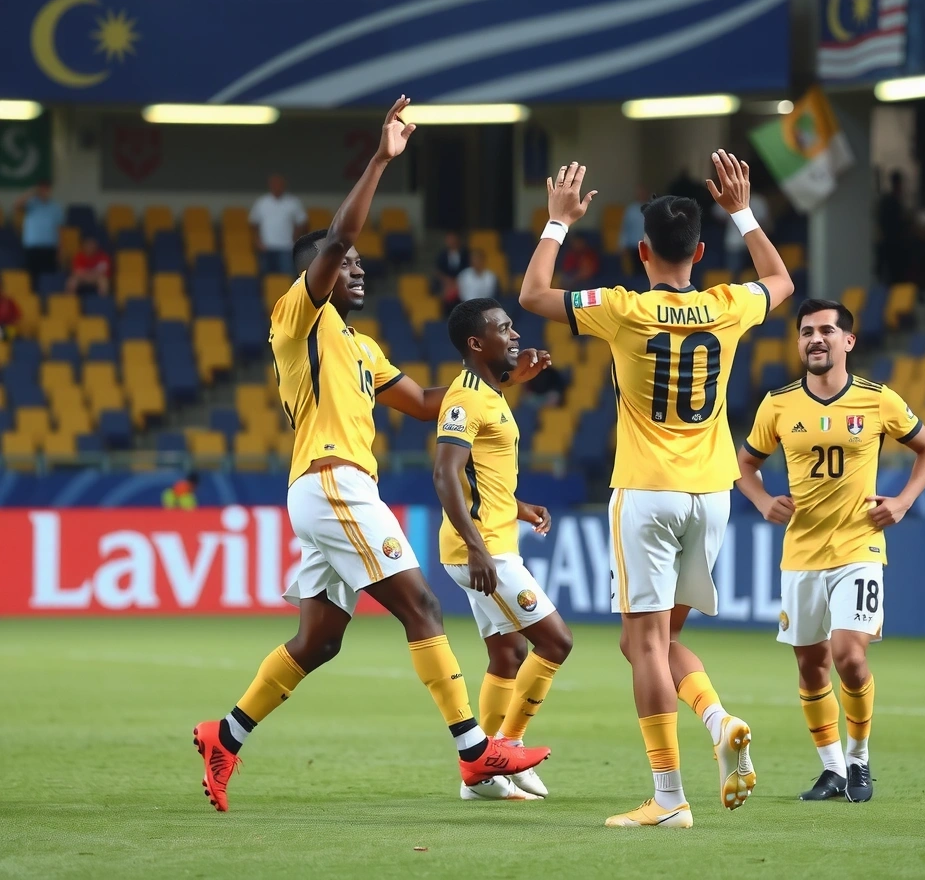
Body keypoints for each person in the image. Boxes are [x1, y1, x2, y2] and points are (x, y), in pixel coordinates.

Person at [192, 96, 551, 812]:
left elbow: (424, 403)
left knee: (320, 640)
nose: (356, 267)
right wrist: (382, 159)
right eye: (343, 261)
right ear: (318, 272)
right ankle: (476, 754)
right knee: (420, 604)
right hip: (332, 484)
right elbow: (340, 234)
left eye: (357, 262)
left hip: (331, 489)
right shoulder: (299, 316)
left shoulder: (359, 346)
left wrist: (500, 373)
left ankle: (223, 735)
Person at [520, 152, 794, 828]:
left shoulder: (623, 308)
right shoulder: (729, 305)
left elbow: (532, 295)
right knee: (653, 641)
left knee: (641, 645)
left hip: (647, 491)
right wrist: (743, 210)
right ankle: (717, 718)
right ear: (700, 251)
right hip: (713, 495)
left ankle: (669, 799)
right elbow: (781, 280)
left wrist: (557, 224)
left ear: (643, 251)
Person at [737, 298, 925, 803]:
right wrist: (762, 499)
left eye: (827, 330)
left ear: (848, 341)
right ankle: (831, 770)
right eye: (807, 331)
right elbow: (743, 464)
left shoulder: (877, 399)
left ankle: (859, 760)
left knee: (848, 656)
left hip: (859, 547)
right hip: (801, 554)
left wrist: (903, 501)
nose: (816, 339)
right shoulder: (778, 404)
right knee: (810, 667)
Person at [434, 297, 573, 802]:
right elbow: (446, 473)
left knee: (508, 652)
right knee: (556, 642)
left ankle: (481, 777)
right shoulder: (467, 397)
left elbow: (481, 480)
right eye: (504, 328)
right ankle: (504, 749)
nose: (516, 335)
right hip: (483, 552)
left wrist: (520, 507)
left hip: (491, 541)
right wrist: (476, 549)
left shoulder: (490, 393)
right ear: (477, 343)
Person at [250, 174, 308, 276]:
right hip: (266, 248)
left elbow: (302, 222)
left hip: (286, 248)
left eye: (279, 184)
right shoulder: (262, 202)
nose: (277, 187)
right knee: (267, 279)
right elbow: (254, 223)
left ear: (284, 186)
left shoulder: (293, 202)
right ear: (270, 186)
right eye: (274, 184)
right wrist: (257, 240)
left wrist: (295, 238)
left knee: (286, 277)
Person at [712, 189, 772, 277]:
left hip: (755, 242)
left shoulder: (757, 201)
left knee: (759, 273)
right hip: (734, 243)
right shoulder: (730, 198)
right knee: (734, 275)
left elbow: (764, 222)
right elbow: (716, 214)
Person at [15, 181, 62, 281]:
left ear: (49, 190)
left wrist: (59, 248)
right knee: (32, 276)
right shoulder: (31, 204)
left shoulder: (55, 207)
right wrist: (32, 193)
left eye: (46, 189)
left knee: (49, 277)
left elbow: (59, 229)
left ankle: (48, 295)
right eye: (41, 189)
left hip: (49, 247)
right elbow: (16, 205)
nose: (44, 191)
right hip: (32, 247)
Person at [435, 231, 469, 313]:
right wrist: (448, 281)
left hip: (462, 282)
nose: (450, 241)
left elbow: (468, 270)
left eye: (452, 239)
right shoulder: (442, 255)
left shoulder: (465, 253)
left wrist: (457, 282)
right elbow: (438, 271)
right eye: (448, 239)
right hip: (447, 283)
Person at [617, 187, 648, 274]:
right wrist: (622, 244)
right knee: (635, 272)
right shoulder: (630, 210)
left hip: (648, 246)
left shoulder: (651, 208)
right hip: (634, 246)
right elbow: (625, 228)